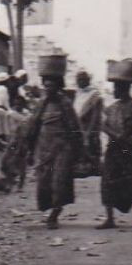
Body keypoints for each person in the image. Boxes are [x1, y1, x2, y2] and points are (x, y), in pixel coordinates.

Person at [22, 70, 86, 229]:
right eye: (46, 85)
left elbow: (74, 128)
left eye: (51, 85)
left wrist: (78, 151)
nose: (47, 88)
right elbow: (33, 128)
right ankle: (51, 210)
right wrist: (30, 150)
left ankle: (55, 214)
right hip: (43, 150)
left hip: (62, 150)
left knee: (59, 183)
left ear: (58, 86)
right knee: (44, 183)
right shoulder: (42, 104)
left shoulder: (65, 104)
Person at [99, 75, 132, 228]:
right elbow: (103, 125)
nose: (114, 91)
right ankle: (109, 218)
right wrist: (114, 135)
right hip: (114, 149)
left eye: (117, 88)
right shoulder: (111, 109)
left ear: (125, 89)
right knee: (108, 181)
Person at [73, 70, 104, 178]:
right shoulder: (78, 93)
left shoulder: (95, 95)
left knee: (90, 146)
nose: (80, 82)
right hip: (79, 125)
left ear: (88, 80)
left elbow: (96, 116)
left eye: (82, 79)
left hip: (90, 126)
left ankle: (95, 167)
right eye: (78, 80)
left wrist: (89, 131)